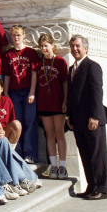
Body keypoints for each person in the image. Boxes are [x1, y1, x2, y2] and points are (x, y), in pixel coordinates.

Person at [67, 34, 107, 199]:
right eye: (72, 46)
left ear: (86, 48)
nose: (74, 49)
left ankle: (101, 188)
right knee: (85, 154)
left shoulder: (92, 66)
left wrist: (94, 116)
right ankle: (91, 186)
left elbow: (97, 93)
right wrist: (70, 116)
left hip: (92, 120)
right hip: (77, 120)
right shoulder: (72, 69)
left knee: (97, 155)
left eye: (77, 46)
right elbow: (72, 95)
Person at [3, 24, 39, 163]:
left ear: (24, 35)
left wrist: (32, 91)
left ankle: (30, 154)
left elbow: (34, 73)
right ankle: (17, 153)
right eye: (14, 35)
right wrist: (6, 92)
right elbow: (6, 74)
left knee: (30, 122)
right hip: (14, 92)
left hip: (28, 91)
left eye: (18, 35)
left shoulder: (30, 53)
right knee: (17, 122)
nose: (16, 38)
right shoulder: (8, 54)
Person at [37, 33, 68, 179]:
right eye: (41, 46)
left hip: (58, 103)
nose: (44, 49)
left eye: (46, 46)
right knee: (49, 134)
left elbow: (65, 83)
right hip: (44, 103)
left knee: (59, 133)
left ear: (53, 46)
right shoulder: (38, 63)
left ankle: (63, 166)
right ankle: (53, 166)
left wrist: (65, 101)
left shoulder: (60, 62)